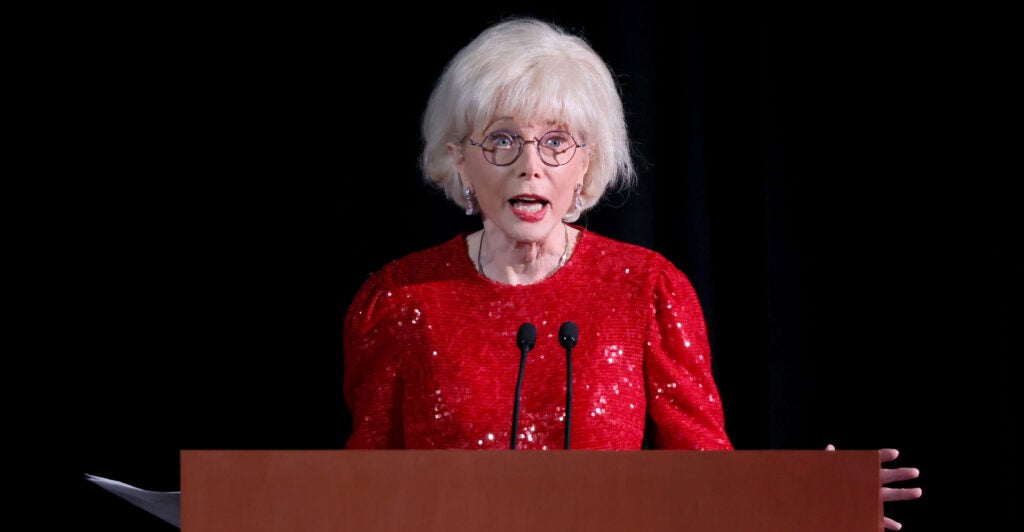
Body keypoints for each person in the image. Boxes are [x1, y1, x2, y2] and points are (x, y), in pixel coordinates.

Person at [342, 16, 922, 530]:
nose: (531, 166)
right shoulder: (399, 301)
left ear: (587, 162)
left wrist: (787, 498)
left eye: (556, 142)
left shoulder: (645, 290)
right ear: (459, 159)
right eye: (501, 140)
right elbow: (362, 496)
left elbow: (702, 478)